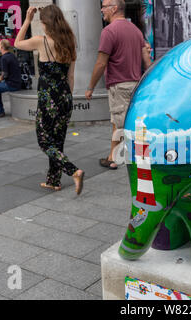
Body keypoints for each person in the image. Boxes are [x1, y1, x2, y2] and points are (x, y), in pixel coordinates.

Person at [15, 5, 85, 195]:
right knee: (57, 141)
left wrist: (28, 20)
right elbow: (71, 77)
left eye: (41, 22)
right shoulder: (69, 42)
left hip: (48, 100)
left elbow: (17, 43)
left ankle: (74, 171)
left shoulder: (41, 41)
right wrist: (67, 98)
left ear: (46, 23)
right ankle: (53, 180)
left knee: (44, 142)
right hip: (65, 97)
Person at [85, 0, 152, 170]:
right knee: (129, 121)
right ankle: (115, 155)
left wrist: (91, 87)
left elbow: (101, 63)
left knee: (118, 122)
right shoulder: (136, 31)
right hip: (135, 84)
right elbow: (147, 62)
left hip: (119, 85)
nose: (101, 10)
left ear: (114, 9)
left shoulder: (109, 31)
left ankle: (114, 158)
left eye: (105, 6)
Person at [0, 40, 21, 118]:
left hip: (11, 84)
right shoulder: (12, 55)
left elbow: (5, 74)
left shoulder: (4, 58)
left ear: (1, 47)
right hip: (17, 82)